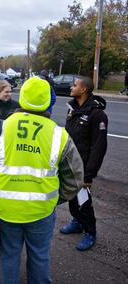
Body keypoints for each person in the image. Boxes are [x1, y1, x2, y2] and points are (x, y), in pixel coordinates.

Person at [0, 76, 84, 284]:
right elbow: (75, 179)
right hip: (41, 211)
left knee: (9, 256)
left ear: (22, 99)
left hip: (4, 209)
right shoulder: (59, 135)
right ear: (47, 102)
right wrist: (54, 199)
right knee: (39, 256)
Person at [60, 76, 108, 251]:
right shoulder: (72, 109)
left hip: (84, 169)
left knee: (84, 202)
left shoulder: (97, 114)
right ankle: (77, 222)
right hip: (70, 165)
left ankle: (90, 232)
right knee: (72, 198)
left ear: (84, 90)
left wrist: (89, 174)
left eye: (75, 85)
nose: (71, 87)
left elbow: (99, 147)